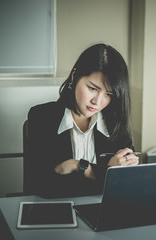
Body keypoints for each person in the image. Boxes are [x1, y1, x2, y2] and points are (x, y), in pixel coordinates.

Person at [26, 43, 139, 198]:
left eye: (109, 94)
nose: (97, 101)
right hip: (56, 211)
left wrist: (79, 166)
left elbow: (125, 183)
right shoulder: (42, 117)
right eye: (93, 88)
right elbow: (41, 185)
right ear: (74, 76)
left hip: (103, 211)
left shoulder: (116, 124)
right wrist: (104, 172)